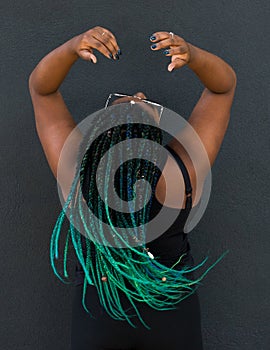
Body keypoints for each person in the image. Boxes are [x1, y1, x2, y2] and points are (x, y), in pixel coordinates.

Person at [28, 26, 237, 350]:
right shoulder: (177, 173)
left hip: (99, 308)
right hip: (172, 311)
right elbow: (223, 89)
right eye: (142, 103)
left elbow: (41, 90)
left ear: (101, 132)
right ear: (152, 139)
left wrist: (71, 48)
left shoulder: (77, 175)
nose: (139, 95)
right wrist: (193, 56)